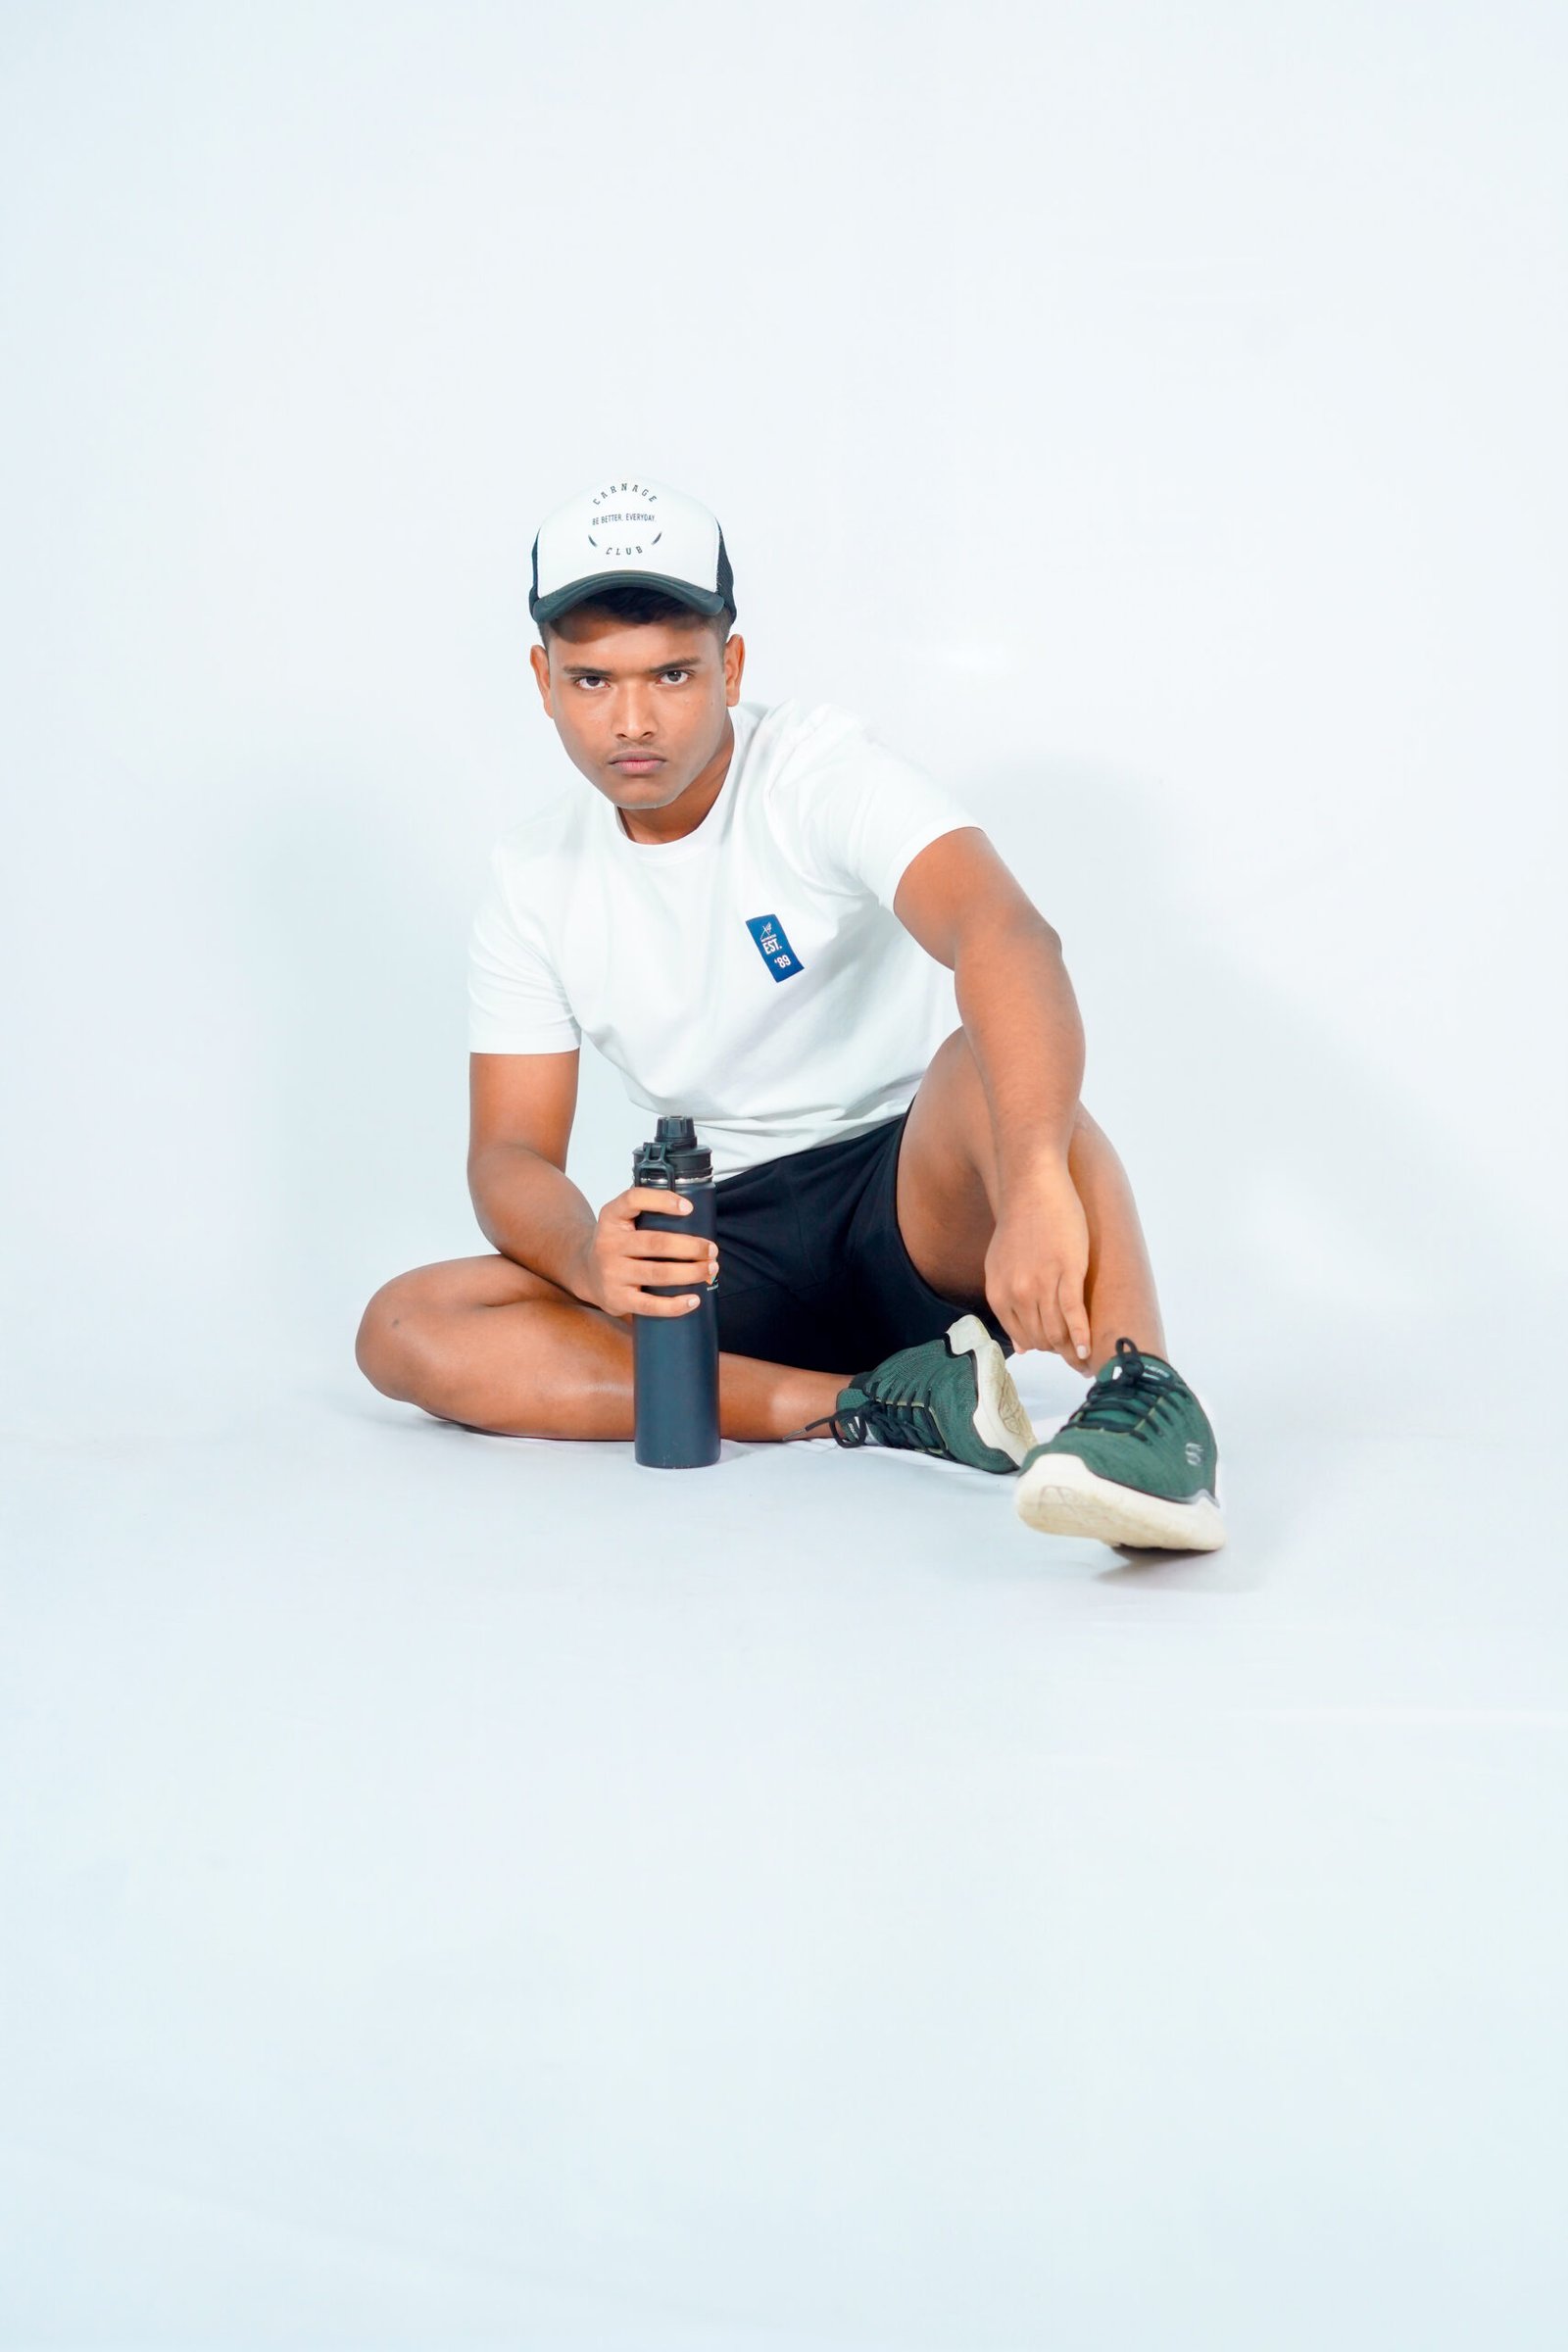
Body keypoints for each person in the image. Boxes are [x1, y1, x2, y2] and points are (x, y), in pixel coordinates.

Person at [355, 473, 1226, 1552]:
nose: (632, 720)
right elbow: (509, 1154)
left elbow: (1004, 933)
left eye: (672, 674)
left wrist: (1037, 1178)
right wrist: (583, 1255)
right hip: (726, 1245)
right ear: (543, 681)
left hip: (913, 1201)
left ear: (730, 665)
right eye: (592, 680)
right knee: (408, 1323)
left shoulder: (816, 772)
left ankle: (1151, 1411)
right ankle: (879, 1404)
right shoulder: (533, 879)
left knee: (988, 1063)